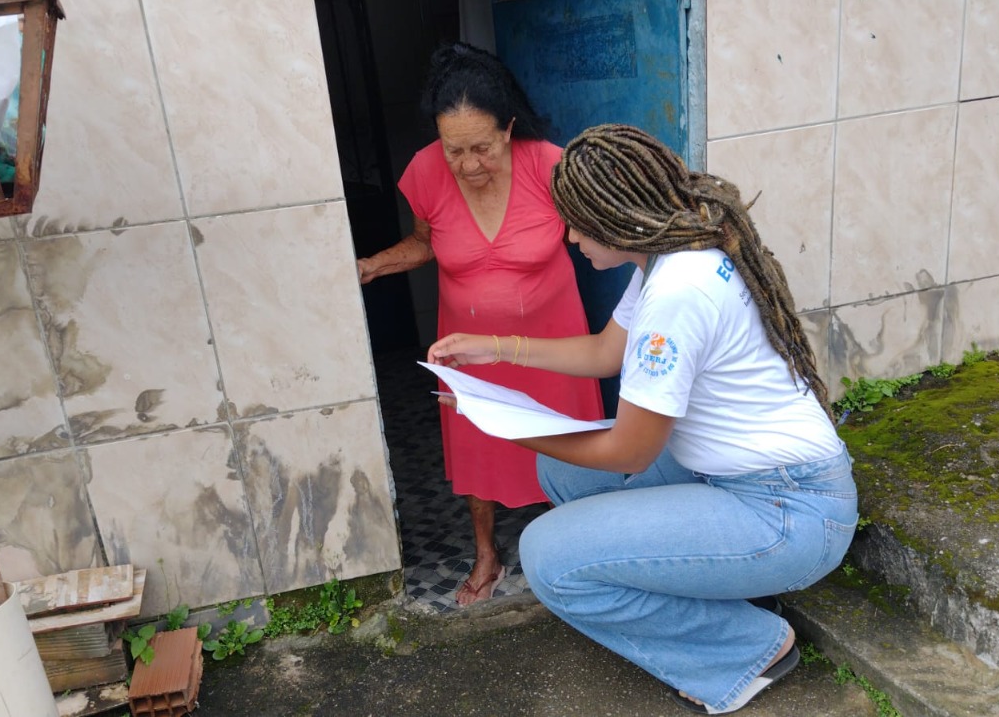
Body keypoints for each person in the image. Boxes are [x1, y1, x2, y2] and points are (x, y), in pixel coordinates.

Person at [426, 124, 858, 713]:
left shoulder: (678, 292)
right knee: (562, 478)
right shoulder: (667, 259)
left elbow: (628, 453)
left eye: (578, 221)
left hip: (787, 511)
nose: (571, 235)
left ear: (615, 215)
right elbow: (607, 354)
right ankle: (718, 589)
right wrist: (496, 347)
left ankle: (748, 648)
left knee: (549, 558)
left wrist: (503, 421)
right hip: (739, 479)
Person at [357, 43, 602, 606]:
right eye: (454, 150)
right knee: (478, 447)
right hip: (469, 351)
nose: (468, 164)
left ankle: (579, 548)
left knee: (568, 442)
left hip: (553, 345)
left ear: (509, 127)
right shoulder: (424, 171)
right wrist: (370, 266)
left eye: (482, 148)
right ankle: (487, 554)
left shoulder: (549, 164)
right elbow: (423, 243)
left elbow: (597, 232)